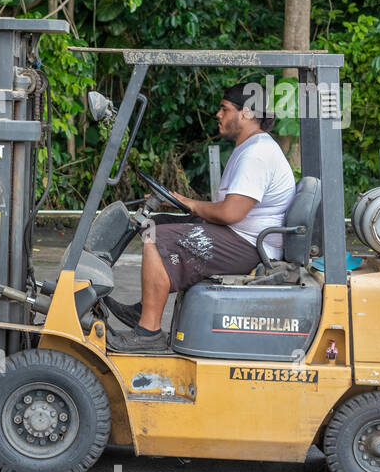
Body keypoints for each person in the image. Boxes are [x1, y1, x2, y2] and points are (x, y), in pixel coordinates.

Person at [105, 82, 297, 354]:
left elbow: (231, 213)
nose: (218, 115)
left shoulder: (257, 154)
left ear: (247, 114)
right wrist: (187, 207)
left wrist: (191, 204)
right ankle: (144, 309)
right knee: (156, 224)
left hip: (251, 246)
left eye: (225, 109)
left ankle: (148, 333)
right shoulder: (252, 147)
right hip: (245, 236)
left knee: (157, 238)